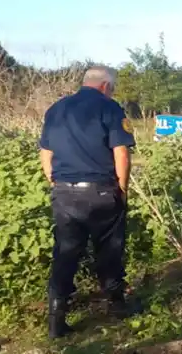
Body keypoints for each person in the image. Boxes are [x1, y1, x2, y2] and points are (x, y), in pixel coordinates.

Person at [38, 65, 143, 339]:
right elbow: (121, 153)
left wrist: (55, 182)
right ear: (106, 86)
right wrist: (122, 188)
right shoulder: (109, 108)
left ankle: (56, 321)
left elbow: (46, 154)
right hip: (101, 192)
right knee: (109, 247)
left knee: (66, 252)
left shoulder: (57, 109)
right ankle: (117, 305)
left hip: (64, 192)